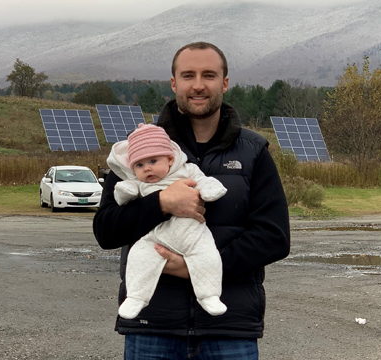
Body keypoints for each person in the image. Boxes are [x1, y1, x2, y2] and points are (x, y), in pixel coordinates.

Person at [93, 41, 290, 359]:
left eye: (209, 75)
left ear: (224, 83)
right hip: (152, 327)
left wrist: (195, 268)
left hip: (229, 329)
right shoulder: (137, 150)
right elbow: (106, 230)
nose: (198, 85)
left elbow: (274, 238)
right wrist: (161, 204)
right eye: (188, 75)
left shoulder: (254, 151)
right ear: (174, 83)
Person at [107, 123, 228, 320]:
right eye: (139, 165)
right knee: (138, 256)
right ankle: (136, 297)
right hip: (156, 239)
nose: (147, 168)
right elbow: (113, 211)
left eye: (153, 161)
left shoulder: (187, 170)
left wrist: (209, 189)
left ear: (170, 159)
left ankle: (209, 295)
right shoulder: (140, 183)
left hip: (193, 235)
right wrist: (158, 201)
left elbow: (204, 181)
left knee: (208, 256)